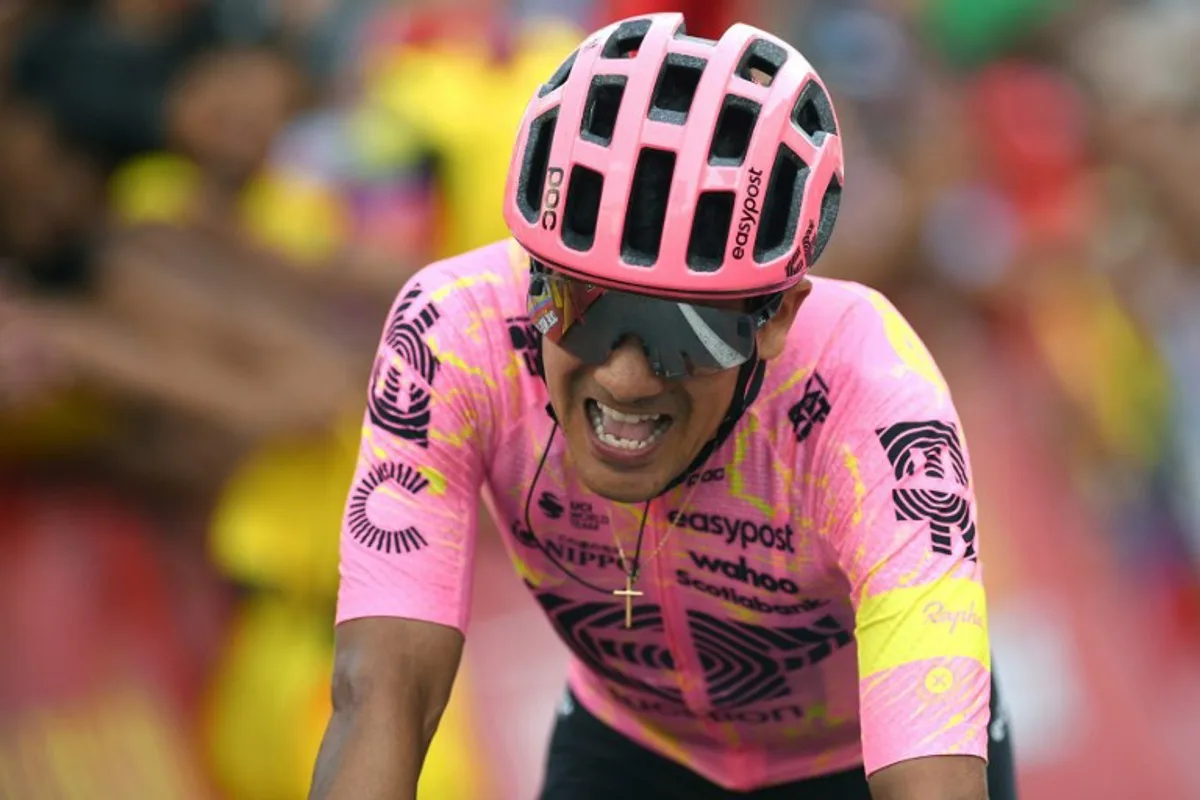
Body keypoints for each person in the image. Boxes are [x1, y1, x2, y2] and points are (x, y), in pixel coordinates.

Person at [310, 12, 1016, 800]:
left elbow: (933, 785)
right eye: (581, 307)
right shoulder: (455, 330)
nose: (623, 379)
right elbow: (383, 693)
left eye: (687, 332)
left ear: (775, 316)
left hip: (850, 763)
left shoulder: (870, 395)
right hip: (631, 746)